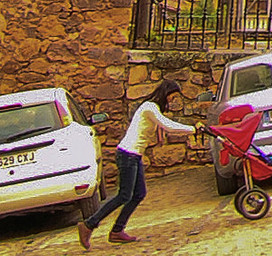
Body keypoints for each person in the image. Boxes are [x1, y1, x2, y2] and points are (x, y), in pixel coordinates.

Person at [77, 80, 204, 248]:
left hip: (133, 156)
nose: (172, 101)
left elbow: (157, 126)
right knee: (124, 195)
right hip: (127, 154)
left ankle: (117, 231)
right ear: (165, 93)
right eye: (172, 97)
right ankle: (88, 225)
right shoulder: (149, 107)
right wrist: (193, 128)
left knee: (139, 194)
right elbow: (168, 126)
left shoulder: (152, 109)